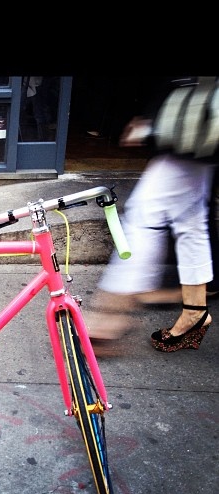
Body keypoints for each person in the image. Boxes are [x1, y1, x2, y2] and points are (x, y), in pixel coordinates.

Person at [86, 76, 218, 354]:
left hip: (198, 117)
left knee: (144, 215)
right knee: (191, 220)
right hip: (202, 122)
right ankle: (195, 311)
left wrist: (153, 119)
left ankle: (107, 320)